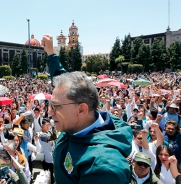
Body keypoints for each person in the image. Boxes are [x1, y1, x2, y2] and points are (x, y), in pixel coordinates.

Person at [41, 34, 133, 183]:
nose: (49, 112)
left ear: (81, 110)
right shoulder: (80, 118)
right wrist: (51, 54)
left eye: (55, 106)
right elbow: (66, 84)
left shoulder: (102, 167)